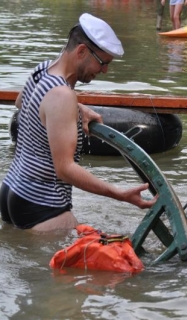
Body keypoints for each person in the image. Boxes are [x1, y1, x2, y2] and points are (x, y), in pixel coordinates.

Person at [0, 13, 157, 232]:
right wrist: (119, 194)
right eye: (102, 62)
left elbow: (21, 102)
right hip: (43, 204)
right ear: (82, 51)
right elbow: (65, 169)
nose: (104, 70)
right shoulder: (62, 95)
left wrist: (77, 108)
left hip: (12, 190)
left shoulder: (43, 69)